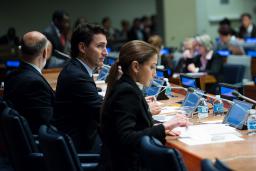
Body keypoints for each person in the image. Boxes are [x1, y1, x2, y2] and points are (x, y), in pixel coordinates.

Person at [99, 40, 190, 171]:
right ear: (136, 67)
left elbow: (135, 126)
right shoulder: (127, 92)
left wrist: (158, 128)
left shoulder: (124, 85)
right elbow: (127, 138)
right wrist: (166, 125)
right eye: (152, 67)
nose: (154, 73)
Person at [53, 24, 107, 152]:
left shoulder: (75, 68)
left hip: (79, 138)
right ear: (82, 47)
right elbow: (105, 113)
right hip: (83, 146)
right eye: (100, 46)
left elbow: (96, 103)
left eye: (105, 46)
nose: (105, 52)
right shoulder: (77, 76)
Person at [4, 31, 54, 134]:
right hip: (41, 143)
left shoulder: (11, 76)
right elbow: (48, 124)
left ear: (20, 51)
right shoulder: (35, 84)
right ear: (45, 52)